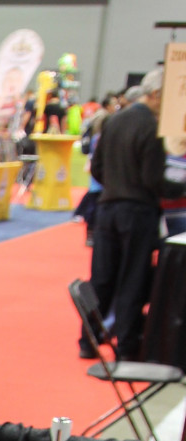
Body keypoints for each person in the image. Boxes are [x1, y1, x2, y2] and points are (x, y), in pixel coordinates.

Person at [85, 66, 173, 360]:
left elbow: (96, 167)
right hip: (138, 211)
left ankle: (88, 340)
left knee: (102, 278)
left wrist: (115, 185)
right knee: (132, 279)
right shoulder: (152, 127)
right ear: (156, 94)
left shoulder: (113, 121)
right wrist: (177, 189)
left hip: (107, 208)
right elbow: (153, 179)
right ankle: (126, 346)